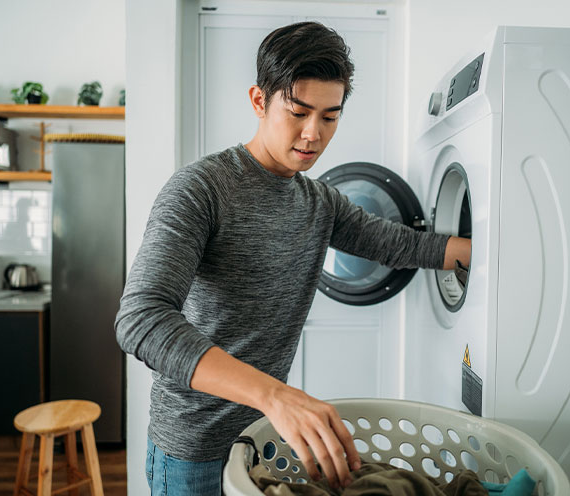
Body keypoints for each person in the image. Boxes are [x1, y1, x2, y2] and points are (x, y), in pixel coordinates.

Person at [114, 21, 471, 495]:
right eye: (299, 112)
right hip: (193, 450)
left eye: (329, 116)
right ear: (259, 101)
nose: (313, 134)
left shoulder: (319, 201)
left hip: (263, 440)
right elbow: (141, 320)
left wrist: (497, 253)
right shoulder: (201, 190)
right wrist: (276, 396)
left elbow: (403, 245)